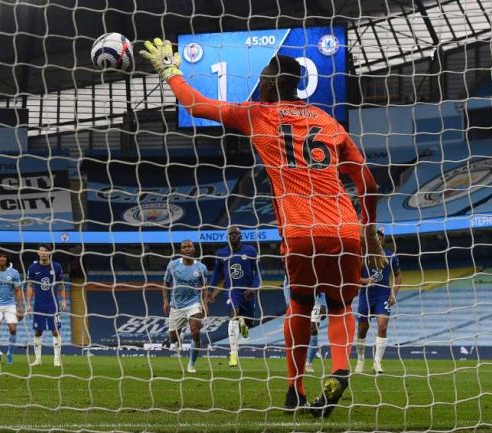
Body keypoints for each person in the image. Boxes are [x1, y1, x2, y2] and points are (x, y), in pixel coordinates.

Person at [141, 41, 386, 417]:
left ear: (270, 84)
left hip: (301, 231)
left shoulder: (258, 114)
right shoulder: (327, 121)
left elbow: (196, 106)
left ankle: (294, 390)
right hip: (344, 228)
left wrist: (171, 71)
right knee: (339, 306)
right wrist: (368, 233)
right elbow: (368, 183)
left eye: (262, 78)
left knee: (301, 306)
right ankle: (339, 369)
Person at [208, 226, 261, 367]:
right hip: (231, 291)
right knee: (233, 314)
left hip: (248, 292)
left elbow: (258, 274)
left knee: (249, 323)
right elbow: (216, 274)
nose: (233, 236)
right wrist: (210, 289)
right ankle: (233, 354)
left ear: (241, 236)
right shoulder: (222, 253)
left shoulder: (250, 251)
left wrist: (254, 288)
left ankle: (245, 323)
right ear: (227, 237)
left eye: (236, 234)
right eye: (231, 234)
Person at [355, 228, 401, 374]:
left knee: (382, 326)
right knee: (362, 330)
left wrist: (393, 293)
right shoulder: (362, 256)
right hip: (366, 296)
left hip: (383, 296)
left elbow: (398, 276)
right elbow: (353, 278)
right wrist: (364, 280)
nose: (378, 239)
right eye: (375, 236)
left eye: (380, 237)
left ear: (383, 240)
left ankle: (377, 362)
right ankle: (360, 360)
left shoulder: (390, 256)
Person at [162, 240, 209, 374]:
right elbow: (166, 283)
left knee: (195, 331)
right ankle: (178, 341)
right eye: (184, 247)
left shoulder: (201, 267)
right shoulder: (173, 265)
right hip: (176, 306)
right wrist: (165, 301)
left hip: (194, 304)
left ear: (194, 249)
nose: (187, 249)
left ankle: (191, 365)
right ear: (180, 250)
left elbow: (205, 287)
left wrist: (204, 303)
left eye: (189, 246)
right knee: (173, 337)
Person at [26, 244, 67, 367]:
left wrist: (63, 300)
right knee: (38, 331)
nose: (43, 253)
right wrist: (28, 304)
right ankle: (38, 359)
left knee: (55, 331)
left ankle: (56, 359)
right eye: (41, 250)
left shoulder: (57, 267)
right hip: (38, 305)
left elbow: (62, 285)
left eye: (46, 251)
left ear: (50, 253)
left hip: (53, 305)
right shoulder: (33, 268)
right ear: (38, 252)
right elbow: (29, 286)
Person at [305, 295, 327, 373]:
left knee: (314, 330)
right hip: (300, 298)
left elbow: (322, 284)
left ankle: (309, 363)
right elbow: (286, 283)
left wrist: (323, 304)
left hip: (316, 300)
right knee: (300, 329)